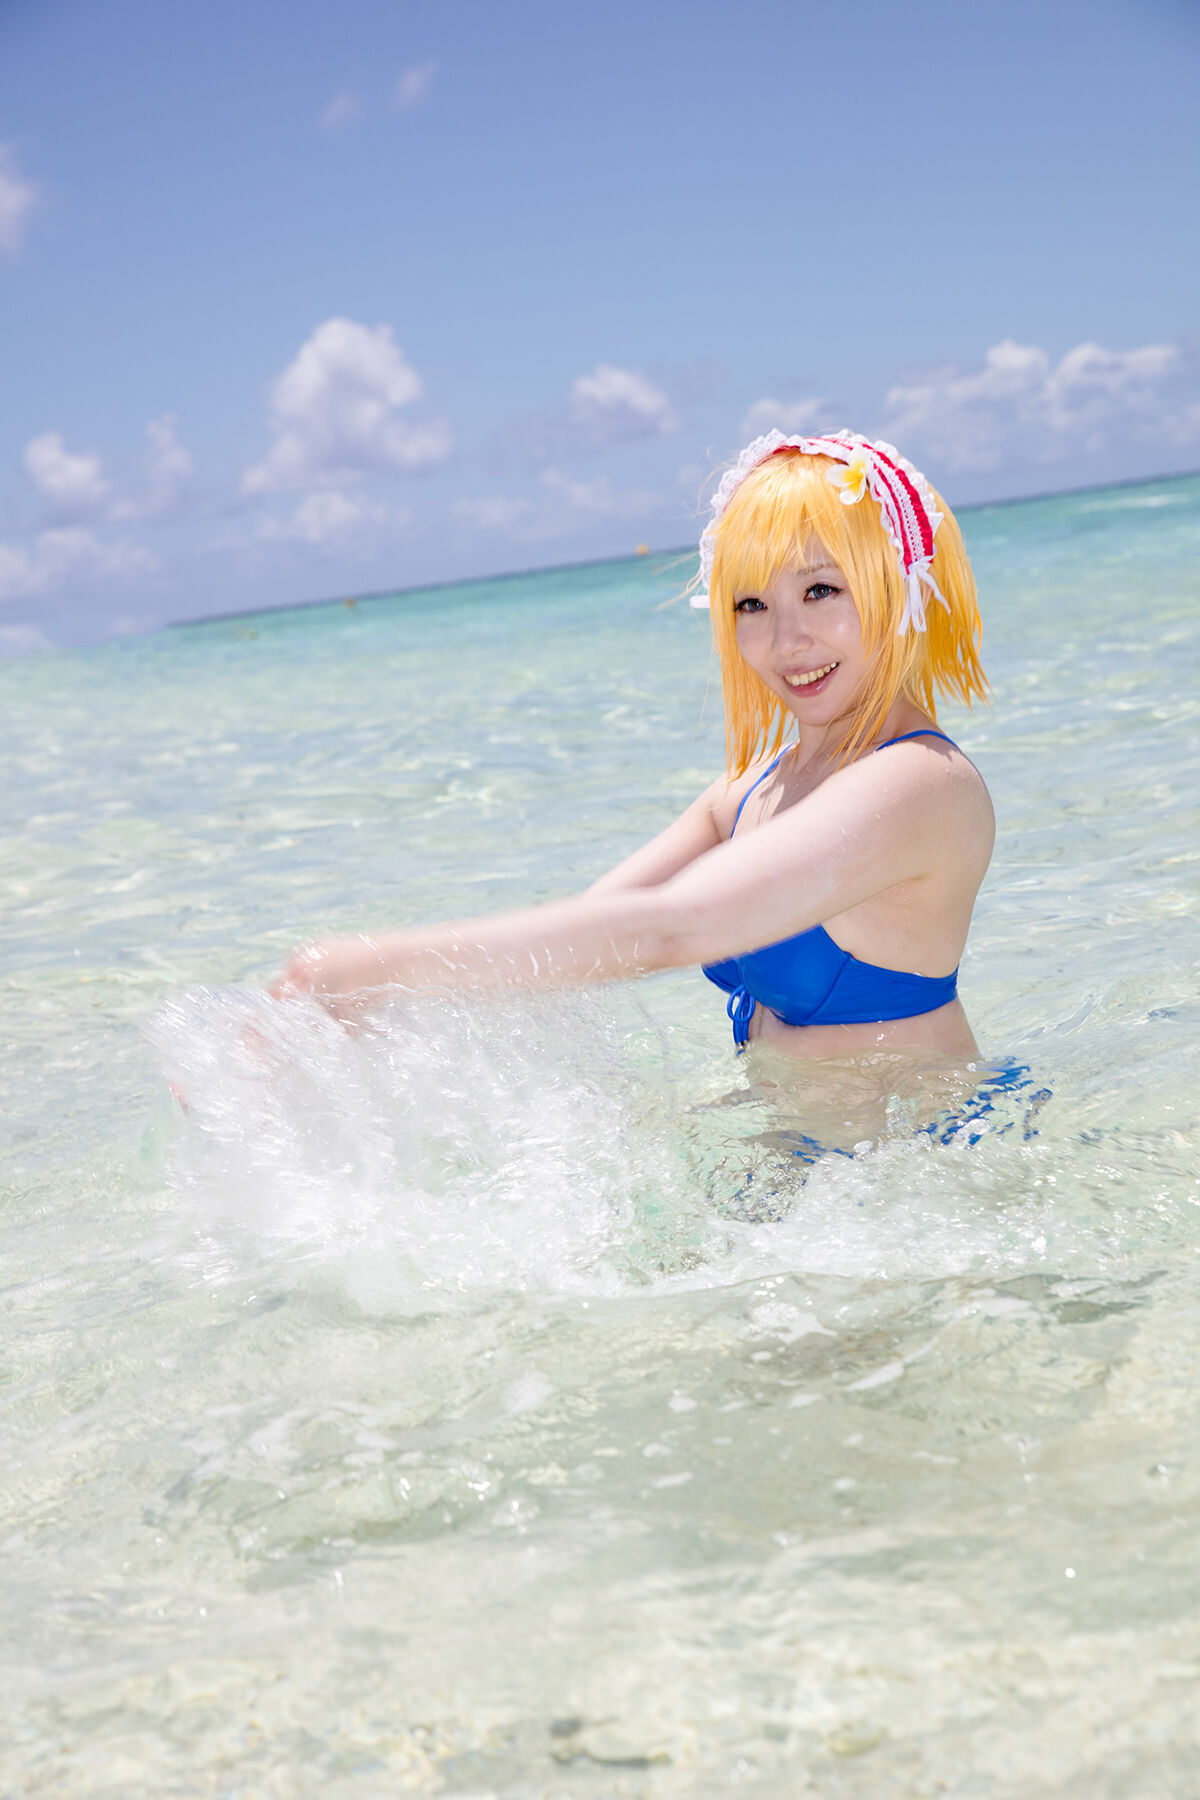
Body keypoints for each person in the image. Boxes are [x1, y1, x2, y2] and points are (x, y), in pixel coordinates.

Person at [272, 430, 994, 1064]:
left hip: (921, 1158)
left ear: (898, 585)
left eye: (821, 590)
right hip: (798, 1158)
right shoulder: (749, 793)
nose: (785, 640)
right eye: (752, 604)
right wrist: (372, 1010)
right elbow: (583, 943)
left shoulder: (921, 784)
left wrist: (371, 964)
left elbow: (675, 928)